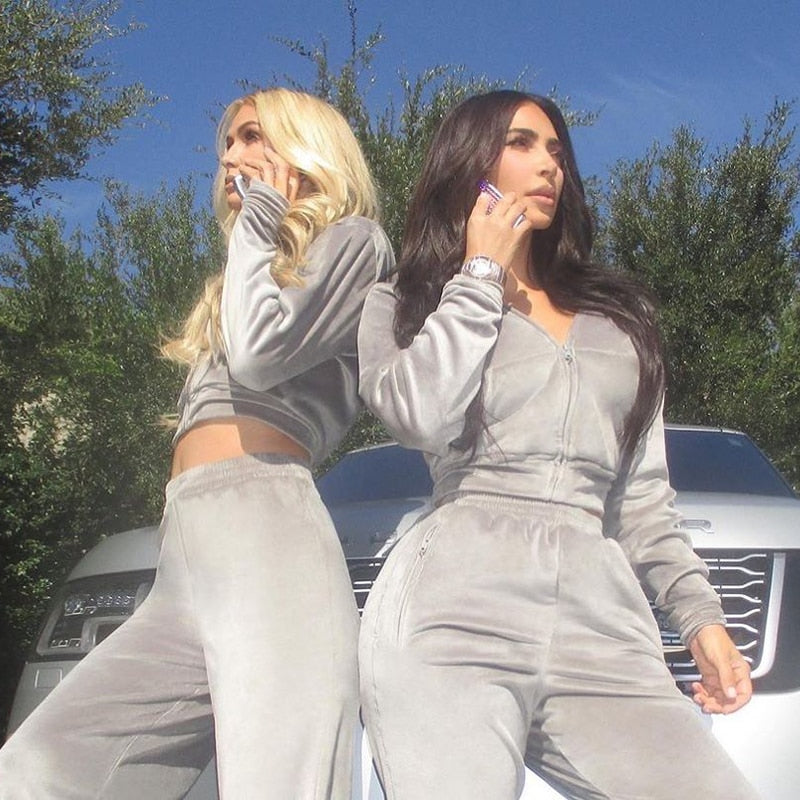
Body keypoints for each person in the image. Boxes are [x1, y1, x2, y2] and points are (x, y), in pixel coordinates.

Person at [356, 90, 759, 800]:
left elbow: (641, 499)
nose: (549, 165)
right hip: (452, 611)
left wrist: (701, 619)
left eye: (556, 150)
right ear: (469, 163)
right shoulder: (405, 298)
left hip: (601, 621)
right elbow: (417, 414)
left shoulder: (620, 320)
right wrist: (480, 275)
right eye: (521, 144)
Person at [0, 87, 394, 799]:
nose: (231, 156)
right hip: (185, 552)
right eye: (227, 145)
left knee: (280, 784)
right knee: (42, 765)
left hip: (266, 535)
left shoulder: (355, 242)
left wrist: (260, 220)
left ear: (304, 145)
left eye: (251, 136)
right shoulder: (252, 270)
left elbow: (264, 356)